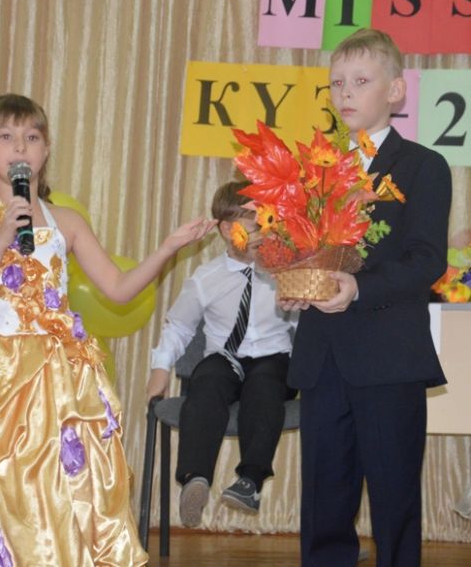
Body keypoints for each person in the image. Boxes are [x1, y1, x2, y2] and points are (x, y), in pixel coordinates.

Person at [0, 93, 216, 566]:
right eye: (6, 136)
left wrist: (168, 247)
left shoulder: (66, 221)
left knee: (55, 487)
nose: (20, 147)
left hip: (59, 379)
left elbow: (118, 288)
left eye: (32, 137)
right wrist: (3, 235)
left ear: (46, 149)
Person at [281, 29, 452, 567]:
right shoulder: (316, 170)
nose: (346, 93)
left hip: (388, 357)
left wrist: (359, 287)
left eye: (360, 80)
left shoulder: (423, 166)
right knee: (324, 502)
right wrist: (297, 283)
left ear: (396, 90)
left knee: (394, 500)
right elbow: (303, 249)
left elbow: (427, 260)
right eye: (337, 83)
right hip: (323, 356)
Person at [147, 180, 297, 528]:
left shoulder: (285, 271)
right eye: (254, 226)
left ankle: (250, 481)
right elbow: (179, 326)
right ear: (228, 230)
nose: (262, 233)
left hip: (274, 357)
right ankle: (195, 478)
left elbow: (304, 324)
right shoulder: (206, 277)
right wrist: (160, 368)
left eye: (268, 224)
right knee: (207, 380)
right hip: (226, 358)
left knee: (265, 384)